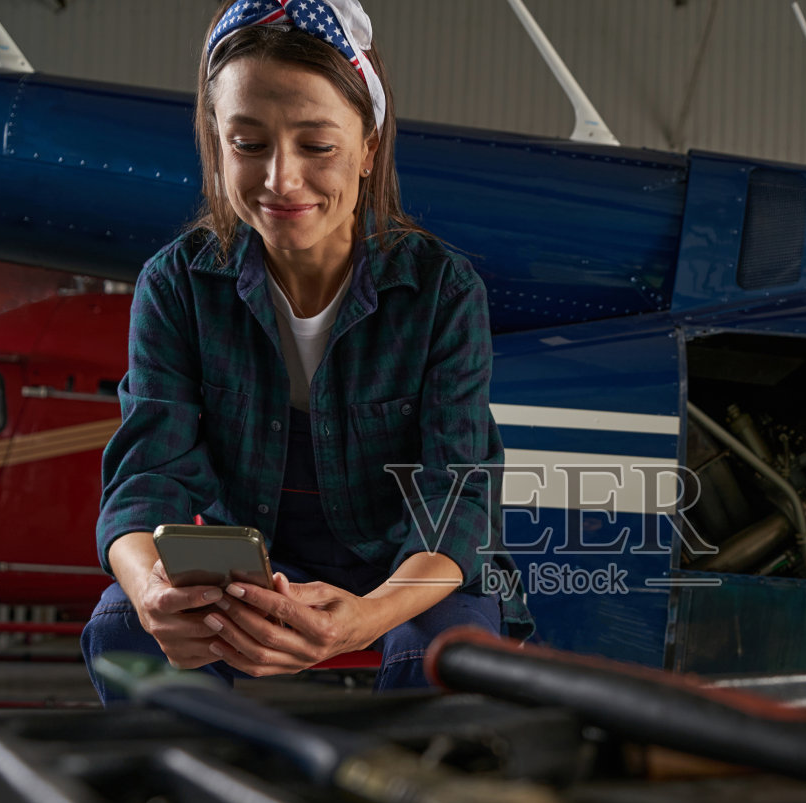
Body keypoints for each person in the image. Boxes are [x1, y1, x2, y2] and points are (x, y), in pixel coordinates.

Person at [82, 0, 531, 700]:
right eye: (248, 143)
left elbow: (458, 500)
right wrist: (149, 592)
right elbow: (144, 478)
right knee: (121, 635)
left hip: (405, 572)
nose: (280, 180)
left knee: (445, 658)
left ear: (369, 146)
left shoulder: (442, 291)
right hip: (253, 568)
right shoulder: (175, 285)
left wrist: (365, 618)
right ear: (216, 142)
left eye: (317, 146)